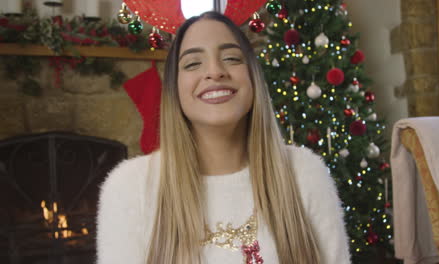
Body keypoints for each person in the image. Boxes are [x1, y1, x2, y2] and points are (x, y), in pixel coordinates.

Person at [97, 11, 350, 264]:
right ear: (174, 89)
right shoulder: (129, 187)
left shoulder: (304, 173)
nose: (215, 71)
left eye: (231, 58)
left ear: (253, 78)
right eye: (193, 63)